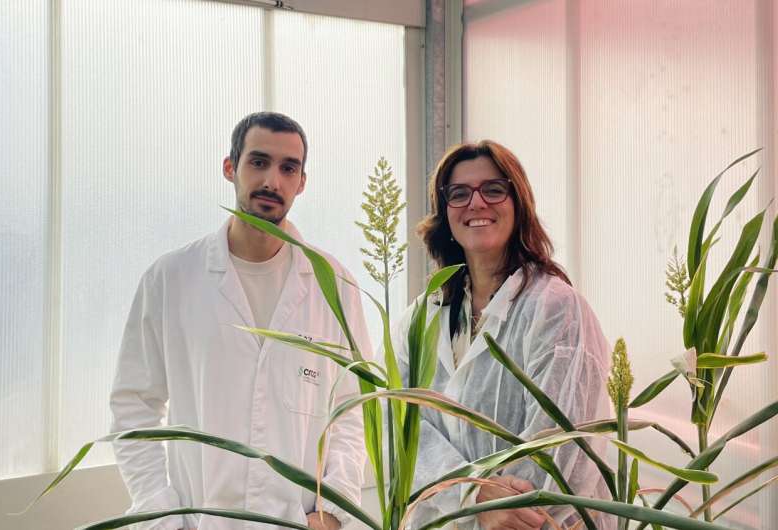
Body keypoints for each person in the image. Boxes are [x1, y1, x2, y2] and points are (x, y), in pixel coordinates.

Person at [110, 112, 370, 530]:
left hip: (299, 523)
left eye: (289, 168)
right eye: (258, 162)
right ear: (230, 167)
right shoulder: (171, 278)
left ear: (302, 181)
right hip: (199, 521)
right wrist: (159, 511)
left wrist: (334, 512)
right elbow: (133, 406)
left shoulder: (334, 285)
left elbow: (352, 411)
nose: (272, 180)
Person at [395, 140, 611, 530]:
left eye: (493, 189)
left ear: (519, 203)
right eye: (459, 194)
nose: (476, 204)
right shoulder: (421, 318)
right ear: (444, 213)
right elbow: (401, 430)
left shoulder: (556, 308)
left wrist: (497, 511)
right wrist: (473, 496)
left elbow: (564, 446)